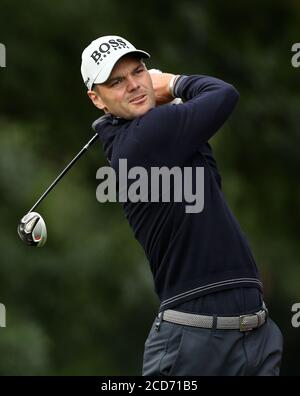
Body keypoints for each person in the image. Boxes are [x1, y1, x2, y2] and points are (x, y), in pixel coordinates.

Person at [81, 35, 283, 376]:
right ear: (96, 99)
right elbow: (223, 94)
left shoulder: (162, 135)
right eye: (116, 82)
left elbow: (210, 178)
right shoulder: (137, 143)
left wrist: (166, 101)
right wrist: (173, 83)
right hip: (194, 342)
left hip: (255, 334)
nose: (133, 85)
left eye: (138, 71)